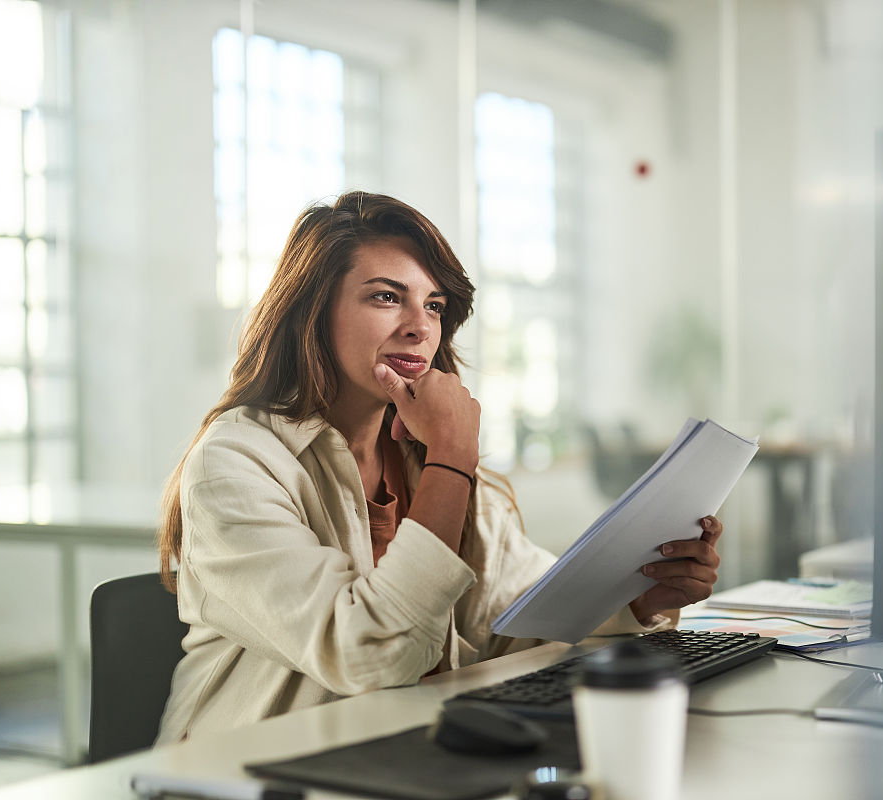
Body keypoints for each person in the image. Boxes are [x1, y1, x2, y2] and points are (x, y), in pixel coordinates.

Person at [155, 191, 724, 743]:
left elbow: (518, 619)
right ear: (312, 313)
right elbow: (372, 653)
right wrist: (453, 456)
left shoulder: (418, 454)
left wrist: (639, 598)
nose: (420, 327)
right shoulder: (235, 464)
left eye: (433, 305)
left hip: (410, 751)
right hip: (253, 774)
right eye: (385, 297)